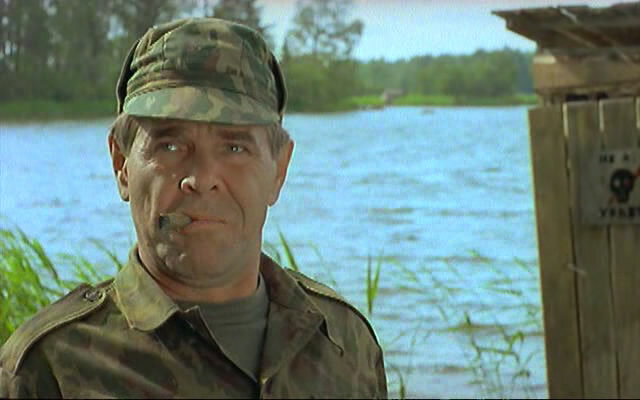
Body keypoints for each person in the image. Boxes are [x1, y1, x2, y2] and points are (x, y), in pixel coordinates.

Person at [0, 18, 387, 398]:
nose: (201, 178)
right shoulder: (48, 369)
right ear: (121, 165)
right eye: (170, 146)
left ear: (279, 170)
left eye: (234, 147)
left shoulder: (344, 343)